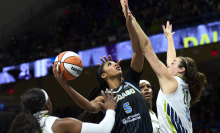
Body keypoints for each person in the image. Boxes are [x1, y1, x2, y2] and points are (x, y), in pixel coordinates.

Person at [53, 0, 153, 132]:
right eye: (110, 64)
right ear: (103, 75)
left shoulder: (131, 81)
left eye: (114, 63)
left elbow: (138, 51)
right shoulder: (105, 97)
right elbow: (89, 107)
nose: (116, 64)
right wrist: (66, 86)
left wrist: (129, 23)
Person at [122, 0, 207, 132]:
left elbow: (146, 47)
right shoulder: (184, 87)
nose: (169, 64)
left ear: (181, 69)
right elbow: (171, 61)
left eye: (173, 63)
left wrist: (131, 18)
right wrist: (170, 39)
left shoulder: (172, 82)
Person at [9, 88, 117, 133]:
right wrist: (111, 109)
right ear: (47, 105)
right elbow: (103, 130)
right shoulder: (60, 125)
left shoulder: (19, 128)